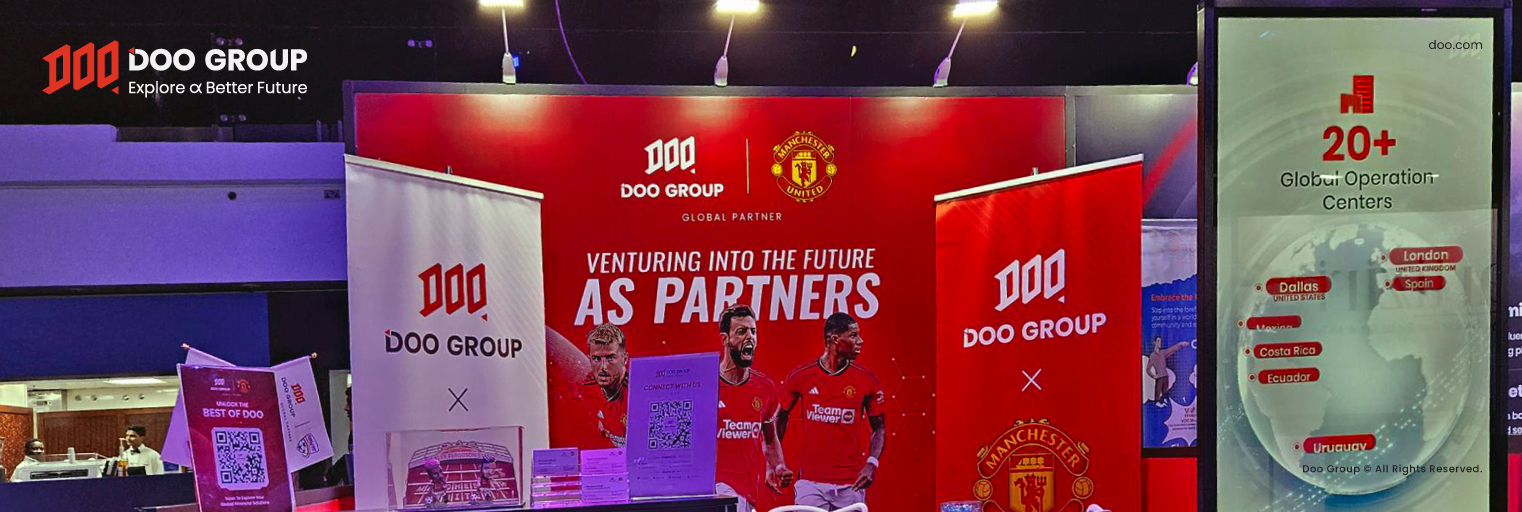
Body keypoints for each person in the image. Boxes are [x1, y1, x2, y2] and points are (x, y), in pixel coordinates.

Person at [778, 313, 887, 510]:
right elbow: (779, 417)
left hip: (851, 484)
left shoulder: (867, 380)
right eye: (853, 335)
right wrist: (777, 462)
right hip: (810, 484)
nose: (860, 341)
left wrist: (872, 463)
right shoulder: (801, 376)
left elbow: (879, 428)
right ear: (835, 339)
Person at [714, 305, 794, 512]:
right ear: (725, 339)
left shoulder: (765, 387)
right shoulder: (706, 383)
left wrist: (778, 465)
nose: (749, 337)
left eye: (753, 331)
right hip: (716, 491)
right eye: (741, 331)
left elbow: (770, 439)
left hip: (748, 493)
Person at [582, 323, 629, 448]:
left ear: (624, 359)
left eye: (610, 358)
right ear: (589, 359)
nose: (603, 367)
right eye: (596, 359)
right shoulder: (588, 386)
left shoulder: (637, 392)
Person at [1146, 336, 1189, 405]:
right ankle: (1157, 406)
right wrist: (1153, 376)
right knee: (1157, 395)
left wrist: (1180, 344)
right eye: (1158, 341)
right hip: (1159, 378)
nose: (1160, 343)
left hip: (1165, 377)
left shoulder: (1163, 353)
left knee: (1165, 394)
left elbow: (1172, 349)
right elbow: (1148, 369)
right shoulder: (1152, 356)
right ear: (1154, 343)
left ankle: (1165, 405)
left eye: (1160, 341)